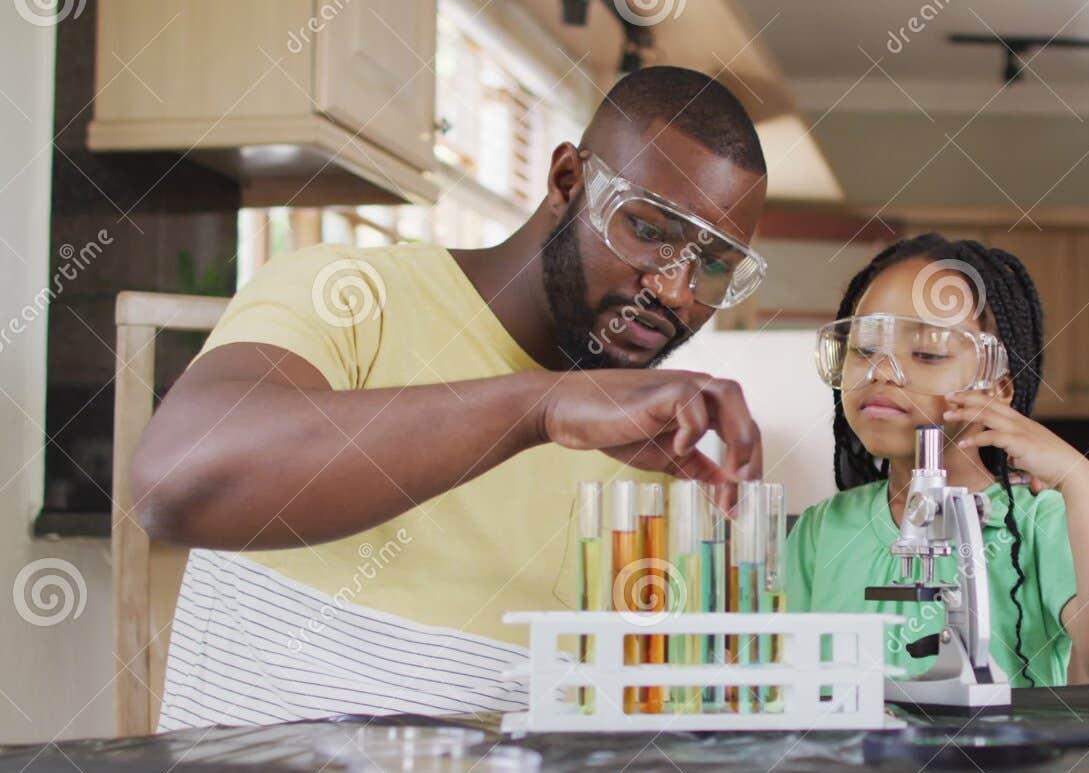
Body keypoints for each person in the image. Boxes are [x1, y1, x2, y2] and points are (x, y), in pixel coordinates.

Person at [131, 67, 770, 730]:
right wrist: (538, 410)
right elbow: (175, 485)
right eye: (649, 229)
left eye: (716, 265)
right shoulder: (349, 296)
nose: (674, 291)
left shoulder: (664, 457)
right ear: (566, 183)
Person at [784, 235, 1089, 685]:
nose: (882, 372)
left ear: (998, 388)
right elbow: (781, 677)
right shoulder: (821, 531)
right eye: (864, 349)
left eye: (928, 353)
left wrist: (1080, 479)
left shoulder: (1038, 522)